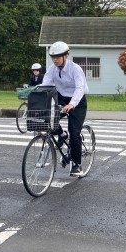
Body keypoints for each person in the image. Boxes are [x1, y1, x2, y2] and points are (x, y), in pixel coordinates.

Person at [41, 41, 89, 177]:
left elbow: (80, 88)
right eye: (53, 57)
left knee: (74, 133)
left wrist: (72, 104)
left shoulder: (75, 69)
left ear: (65, 56)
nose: (55, 60)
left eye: (58, 57)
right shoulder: (52, 69)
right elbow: (45, 85)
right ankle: (62, 134)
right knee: (48, 118)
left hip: (77, 101)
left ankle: (77, 164)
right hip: (61, 98)